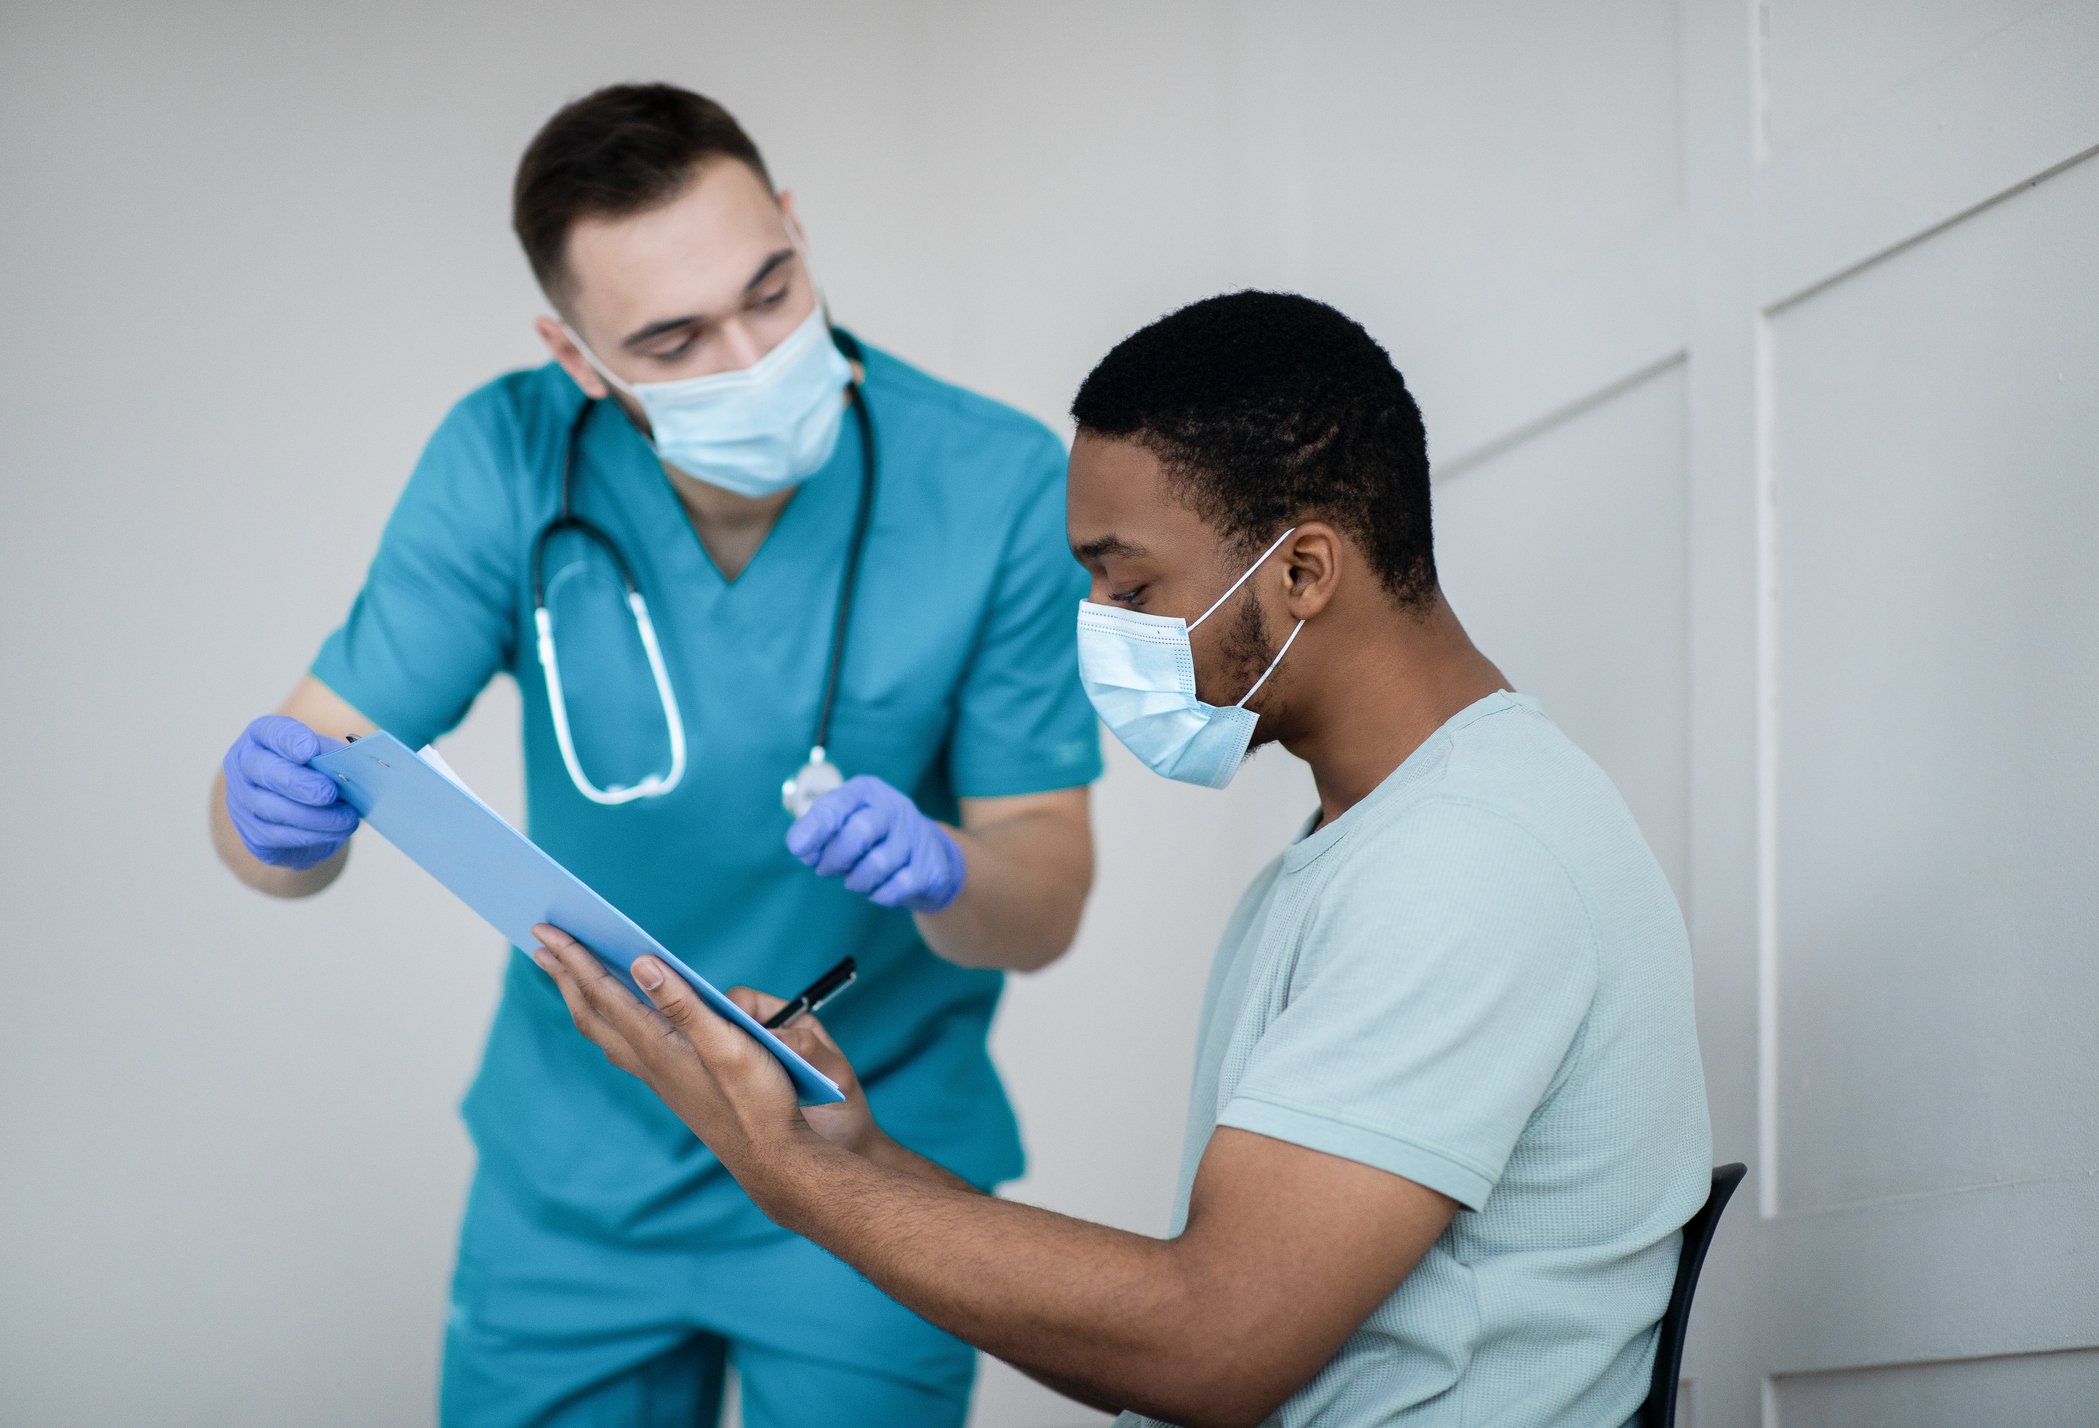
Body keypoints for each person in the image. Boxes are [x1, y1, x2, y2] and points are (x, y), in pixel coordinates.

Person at [528, 291, 1714, 1427]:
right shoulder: (1374, 842)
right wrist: (860, 1154)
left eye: (1127, 581)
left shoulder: (1467, 862)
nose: (1094, 626)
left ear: (1301, 571)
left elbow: (1213, 1344)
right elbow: (1190, 1323)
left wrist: (786, 1173)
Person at [207, 84, 1101, 1427]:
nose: (748, 358)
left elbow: (1040, 906)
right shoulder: (507, 459)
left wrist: (942, 869)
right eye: (672, 339)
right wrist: (267, 824)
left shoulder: (997, 482)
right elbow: (286, 811)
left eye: (771, 290)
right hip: (578, 1174)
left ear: (796, 232)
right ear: (576, 356)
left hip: (872, 1163)